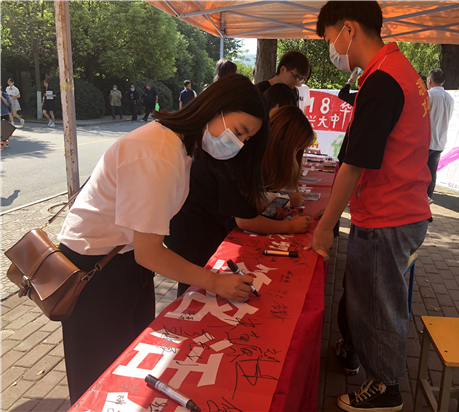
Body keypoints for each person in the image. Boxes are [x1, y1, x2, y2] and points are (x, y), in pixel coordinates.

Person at [56, 74, 269, 404]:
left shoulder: (181, 147)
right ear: (217, 107)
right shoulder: (159, 151)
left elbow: (145, 249)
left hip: (124, 259)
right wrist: (215, 282)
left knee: (129, 366)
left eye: (245, 139)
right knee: (98, 383)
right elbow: (150, 252)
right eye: (239, 131)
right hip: (95, 269)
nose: (238, 143)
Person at [310, 2, 432, 411]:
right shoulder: (397, 70)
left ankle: (385, 388)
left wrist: (325, 226)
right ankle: (365, 359)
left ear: (348, 29)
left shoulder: (383, 80)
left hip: (388, 215)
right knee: (372, 297)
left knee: (379, 306)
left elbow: (355, 163)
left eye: (330, 39)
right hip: (399, 208)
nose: (331, 48)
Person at [166, 105, 313, 296]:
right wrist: (290, 227)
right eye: (297, 149)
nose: (295, 157)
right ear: (284, 143)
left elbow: (247, 203)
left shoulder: (253, 153)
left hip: (206, 220)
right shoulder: (243, 155)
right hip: (190, 225)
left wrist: (270, 213)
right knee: (197, 286)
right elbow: (245, 221)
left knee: (204, 283)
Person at [426, 68, 454, 204]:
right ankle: (427, 197)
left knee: (419, 171)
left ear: (429, 81)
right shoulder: (450, 98)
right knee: (432, 172)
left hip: (426, 140)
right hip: (440, 141)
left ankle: (418, 199)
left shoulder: (428, 96)